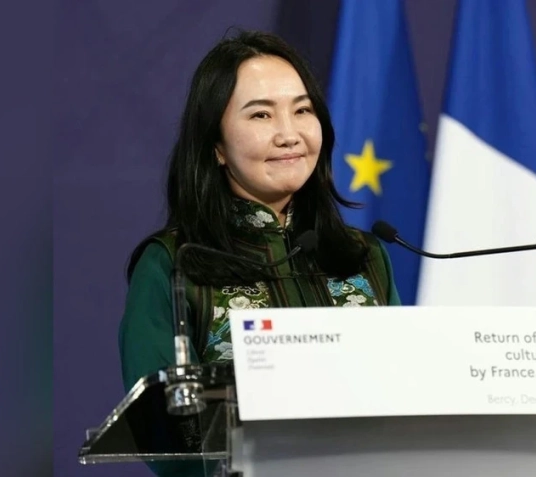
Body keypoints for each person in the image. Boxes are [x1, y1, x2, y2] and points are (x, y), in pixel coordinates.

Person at [116, 30, 401, 475]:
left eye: (302, 110)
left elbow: (405, 393)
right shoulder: (172, 265)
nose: (289, 134)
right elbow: (165, 437)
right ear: (216, 145)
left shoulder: (363, 255)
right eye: (261, 115)